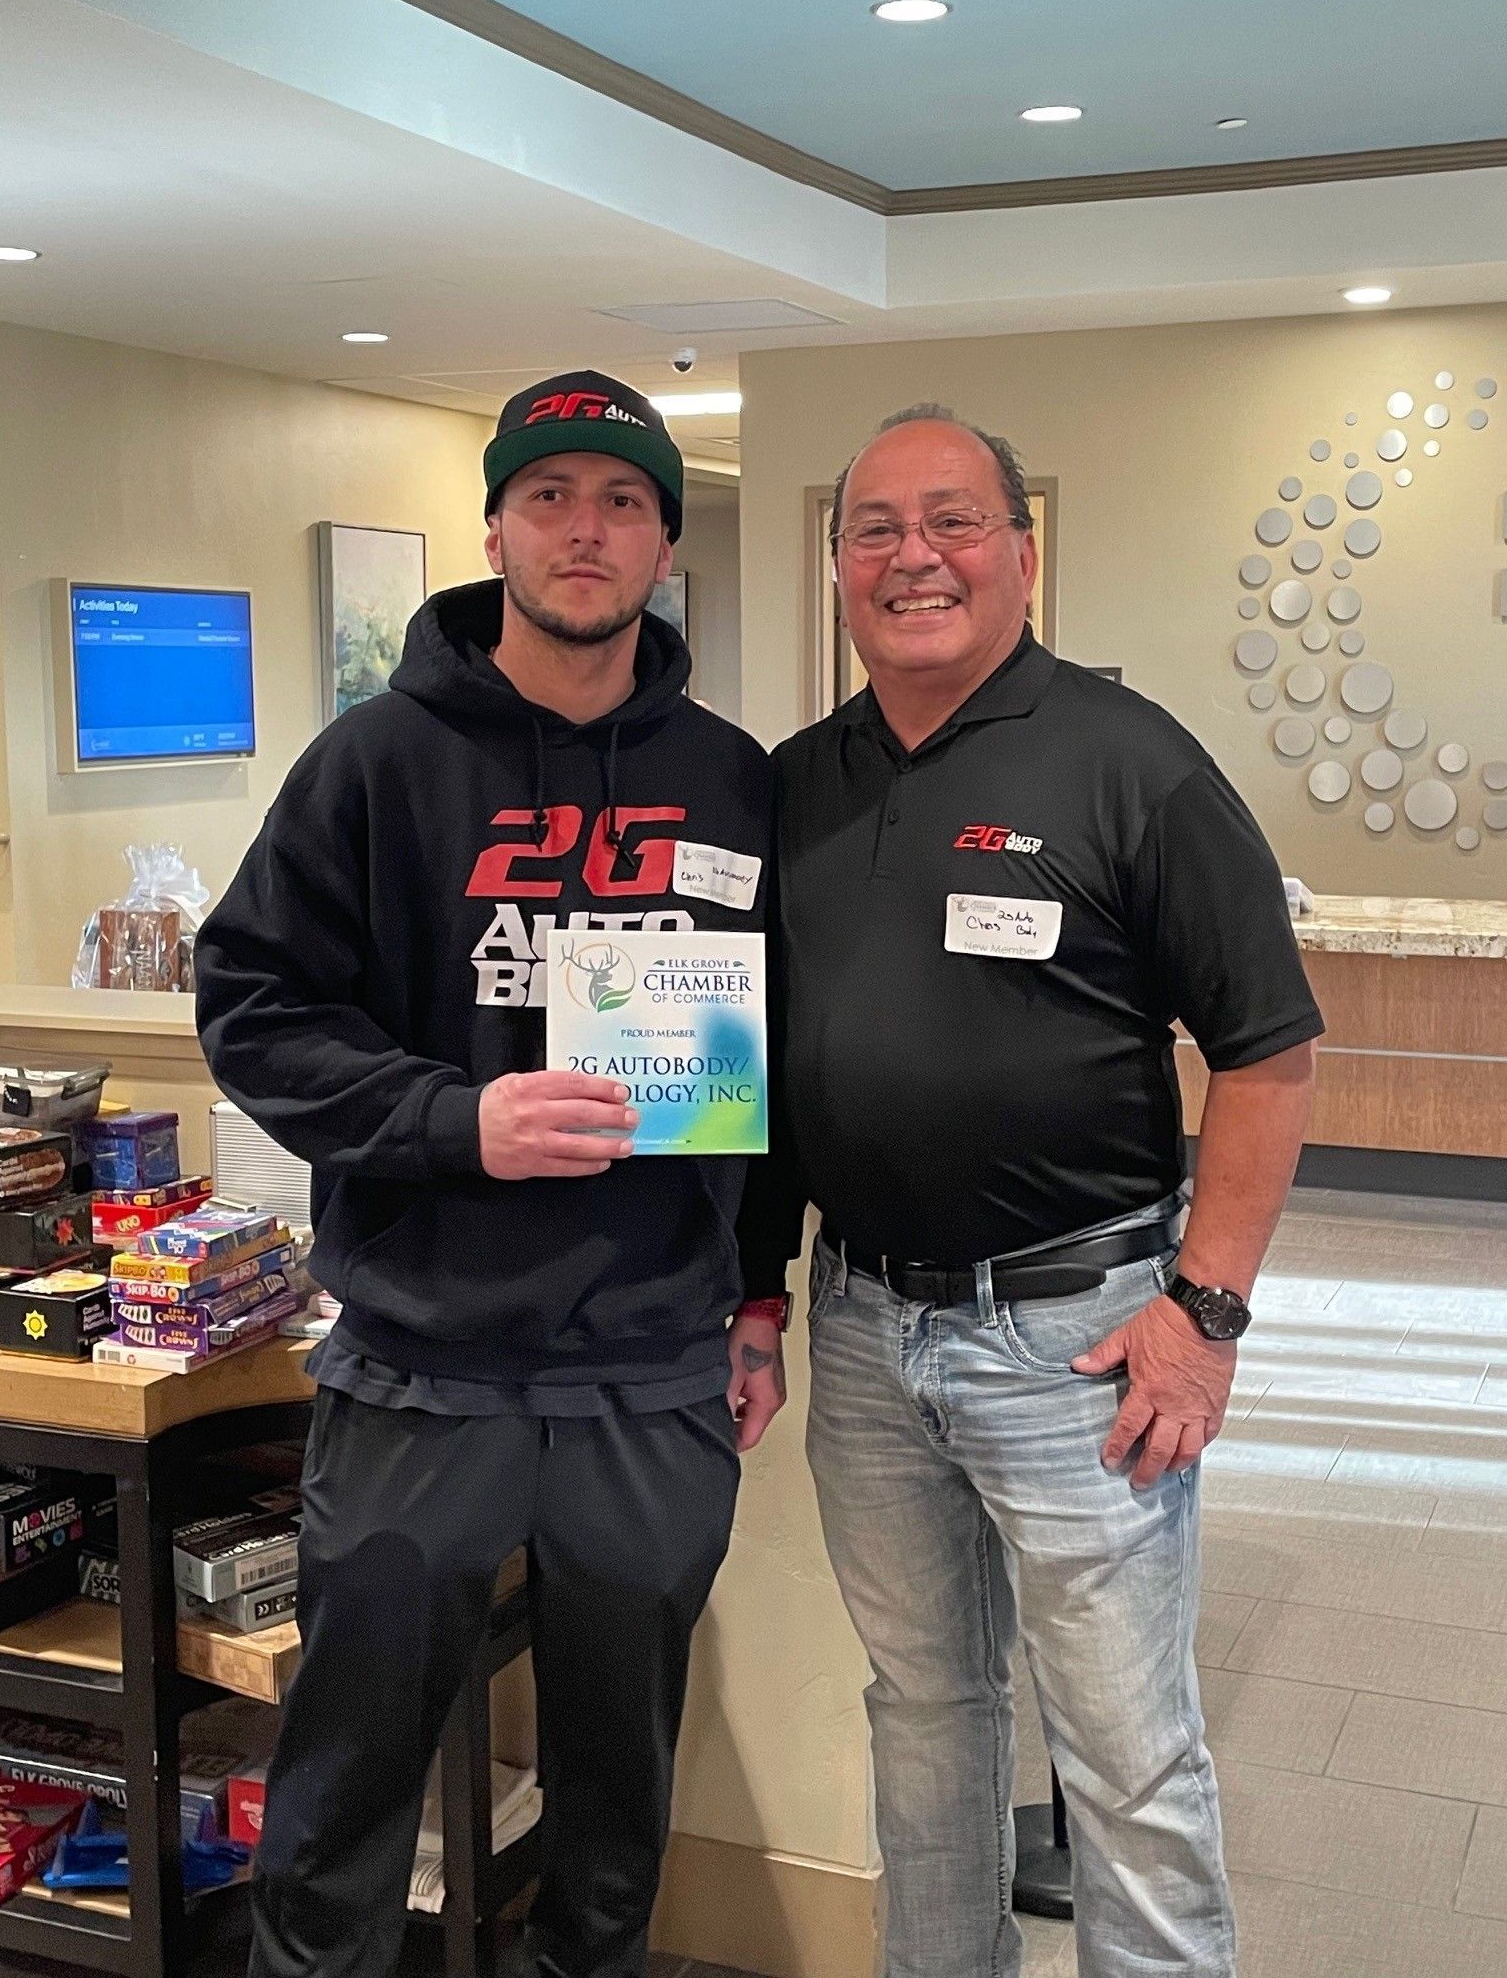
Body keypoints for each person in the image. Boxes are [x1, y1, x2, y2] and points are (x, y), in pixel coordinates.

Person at [195, 370, 790, 1978]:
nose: (583, 531)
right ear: (496, 528)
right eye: (549, 497)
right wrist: (461, 1121)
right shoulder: (373, 764)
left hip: (653, 1368)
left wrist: (757, 1298)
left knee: (618, 1794)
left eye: (619, 501)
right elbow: (250, 1010)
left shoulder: (737, 779)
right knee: (346, 1785)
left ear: (666, 540)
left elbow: (778, 1074)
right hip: (420, 1364)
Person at [755, 405, 1323, 1978]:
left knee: (1125, 1754)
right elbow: (763, 1077)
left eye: (950, 521)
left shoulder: (1129, 761)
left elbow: (1271, 1054)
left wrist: (1203, 1311)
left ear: (1019, 548)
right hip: (864, 1329)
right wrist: (756, 1290)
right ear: (838, 567)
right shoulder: (798, 785)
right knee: (925, 1718)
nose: (912, 556)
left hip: (1080, 1337)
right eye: (874, 528)